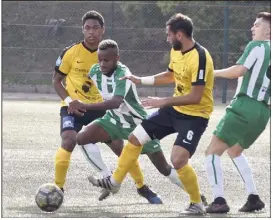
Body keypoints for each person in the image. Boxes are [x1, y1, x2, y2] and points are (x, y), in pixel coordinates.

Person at [83, 13, 214, 215]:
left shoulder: (201, 57)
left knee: (177, 161)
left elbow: (196, 96)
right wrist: (140, 80)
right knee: (135, 138)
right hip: (173, 110)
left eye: (169, 35)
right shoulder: (176, 51)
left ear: (179, 35)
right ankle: (114, 182)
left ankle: (197, 203)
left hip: (195, 116)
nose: (167, 38)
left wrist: (163, 101)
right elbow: (170, 75)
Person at [52, 10, 163, 203]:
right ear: (82, 30)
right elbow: (56, 81)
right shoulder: (70, 52)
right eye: (87, 28)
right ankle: (58, 189)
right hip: (74, 107)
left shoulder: (108, 53)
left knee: (120, 147)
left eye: (95, 28)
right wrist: (70, 102)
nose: (91, 32)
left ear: (102, 30)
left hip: (101, 107)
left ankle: (142, 187)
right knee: (68, 140)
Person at [205, 12, 271, 214]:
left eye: (257, 25)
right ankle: (253, 197)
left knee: (211, 153)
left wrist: (211, 73)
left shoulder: (257, 46)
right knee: (234, 151)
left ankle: (219, 200)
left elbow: (237, 72)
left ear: (269, 30)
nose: (253, 28)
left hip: (245, 106)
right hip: (263, 112)